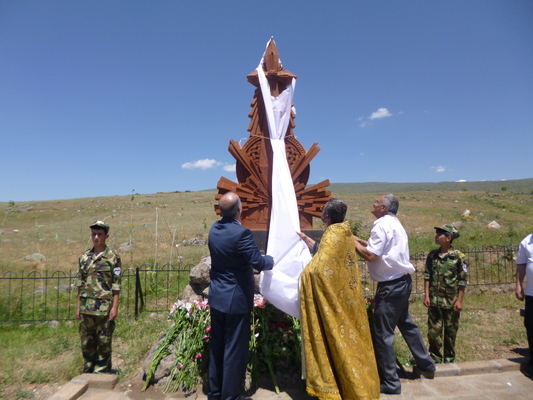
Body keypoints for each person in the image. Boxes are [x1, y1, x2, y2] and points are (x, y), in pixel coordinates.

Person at [297, 198, 380, 400]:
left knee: (340, 343)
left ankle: (345, 388)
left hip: (335, 303)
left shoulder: (332, 235)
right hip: (348, 300)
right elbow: (329, 257)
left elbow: (319, 271)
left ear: (326, 217)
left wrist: (303, 275)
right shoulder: (344, 232)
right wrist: (308, 241)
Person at [354, 194, 435, 395]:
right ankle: (426, 364)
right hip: (402, 283)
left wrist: (350, 242)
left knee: (383, 334)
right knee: (406, 324)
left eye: (376, 202)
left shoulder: (380, 225)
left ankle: (390, 382)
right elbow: (379, 248)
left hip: (390, 287)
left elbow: (372, 255)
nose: (373, 203)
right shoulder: (395, 224)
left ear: (383, 207)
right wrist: (356, 238)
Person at [207, 192, 274, 400]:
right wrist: (272, 258)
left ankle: (215, 392)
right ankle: (231, 396)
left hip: (217, 298)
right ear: (239, 210)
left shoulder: (214, 230)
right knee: (234, 349)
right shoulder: (242, 233)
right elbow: (258, 262)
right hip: (235, 300)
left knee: (217, 346)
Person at [75, 220, 121, 374]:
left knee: (104, 341)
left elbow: (116, 285)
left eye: (99, 234)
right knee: (87, 341)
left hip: (104, 308)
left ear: (106, 236)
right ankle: (88, 370)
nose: (96, 237)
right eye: (94, 234)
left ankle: (101, 372)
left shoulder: (113, 258)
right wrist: (78, 307)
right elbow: (80, 284)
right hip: (86, 308)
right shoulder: (84, 258)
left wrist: (114, 307)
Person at [423, 224, 468, 363]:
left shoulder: (458, 257)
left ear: (448, 238)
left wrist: (459, 300)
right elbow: (427, 276)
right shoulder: (432, 255)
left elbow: (462, 280)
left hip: (451, 301)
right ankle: (435, 358)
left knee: (450, 332)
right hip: (435, 301)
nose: (436, 236)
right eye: (436, 233)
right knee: (433, 332)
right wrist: (427, 295)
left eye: (440, 234)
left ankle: (449, 359)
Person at [516, 232, 533, 379]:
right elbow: (521, 265)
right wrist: (518, 285)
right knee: (531, 325)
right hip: (531, 293)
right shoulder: (527, 241)